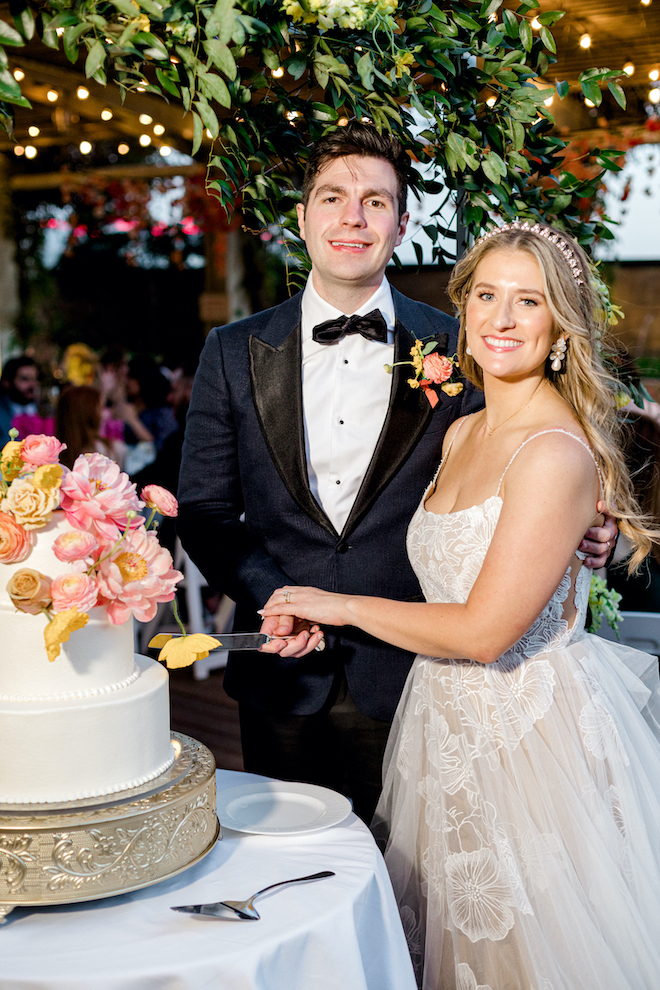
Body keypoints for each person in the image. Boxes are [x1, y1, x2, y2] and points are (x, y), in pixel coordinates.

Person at [259, 220, 660, 989]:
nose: (501, 320)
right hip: (442, 726)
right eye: (486, 295)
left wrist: (336, 605)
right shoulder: (462, 430)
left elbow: (483, 630)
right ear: (462, 308)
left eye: (529, 302)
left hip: (530, 747)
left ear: (562, 327)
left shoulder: (553, 451)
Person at [177, 124, 615, 823]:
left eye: (375, 202)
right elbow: (202, 508)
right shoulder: (232, 351)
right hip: (283, 675)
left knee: (417, 893)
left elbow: (541, 446)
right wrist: (277, 596)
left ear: (402, 224)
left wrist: (596, 528)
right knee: (292, 873)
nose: (352, 218)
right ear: (302, 216)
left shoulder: (465, 344)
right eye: (332, 198)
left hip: (423, 673)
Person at [54, 384, 126, 470]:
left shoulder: (53, 455)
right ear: (88, 414)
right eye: (102, 408)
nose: (107, 414)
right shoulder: (114, 450)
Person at [0, 356, 40, 442]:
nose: (32, 384)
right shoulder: (2, 412)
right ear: (7, 382)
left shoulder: (44, 410)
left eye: (35, 379)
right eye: (25, 379)